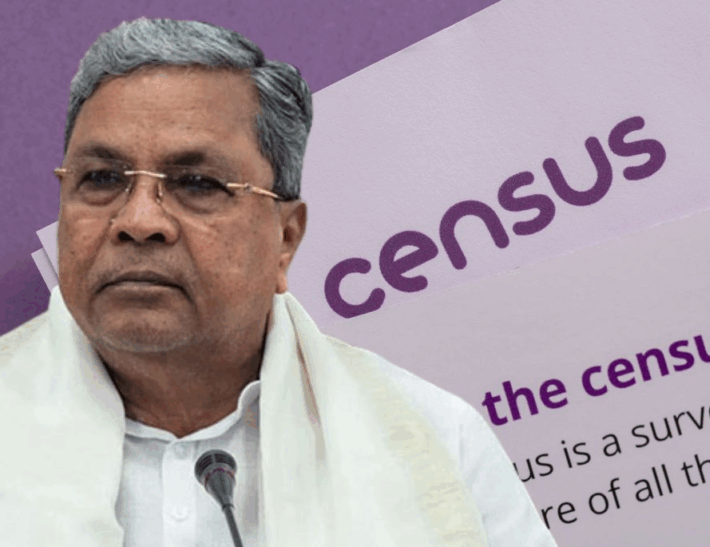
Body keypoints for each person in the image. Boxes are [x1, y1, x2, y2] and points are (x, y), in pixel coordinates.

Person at [0, 18, 557, 546]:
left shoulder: (435, 441)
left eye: (197, 183)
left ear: (284, 239)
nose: (139, 220)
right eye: (101, 178)